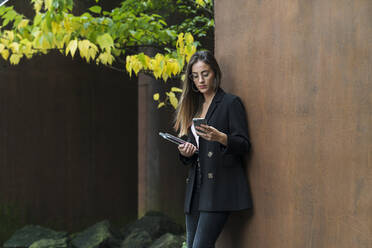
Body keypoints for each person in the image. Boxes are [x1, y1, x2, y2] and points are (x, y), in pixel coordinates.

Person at [174, 50, 252, 248]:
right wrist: (186, 153)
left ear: (215, 73)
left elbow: (244, 144)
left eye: (205, 74)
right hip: (195, 190)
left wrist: (221, 137)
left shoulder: (230, 103)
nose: (200, 80)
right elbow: (195, 151)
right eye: (195, 76)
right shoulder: (194, 106)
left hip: (219, 188)